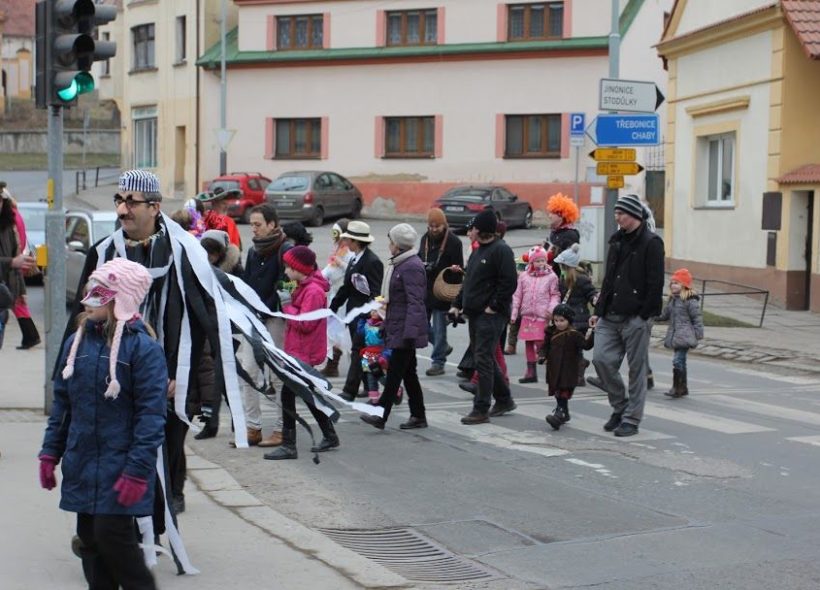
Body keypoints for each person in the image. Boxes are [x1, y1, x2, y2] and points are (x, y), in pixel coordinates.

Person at [39, 258, 166, 590]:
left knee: (113, 539)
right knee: (90, 543)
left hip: (120, 465)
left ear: (119, 301)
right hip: (82, 463)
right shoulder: (76, 343)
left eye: (98, 295)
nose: (87, 301)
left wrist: (137, 470)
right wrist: (50, 452)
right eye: (88, 292)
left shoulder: (143, 349)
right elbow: (63, 405)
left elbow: (151, 417)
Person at [589, 194, 665, 438]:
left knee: (636, 370)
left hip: (636, 318)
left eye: (620, 213)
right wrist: (598, 311)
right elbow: (609, 279)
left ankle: (631, 418)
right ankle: (620, 406)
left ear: (634, 215)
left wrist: (644, 315)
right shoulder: (617, 240)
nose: (617, 217)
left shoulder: (652, 243)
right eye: (616, 213)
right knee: (601, 360)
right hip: (610, 314)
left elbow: (656, 283)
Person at [265, 246, 340, 459]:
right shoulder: (302, 284)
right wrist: (284, 290)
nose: (285, 271)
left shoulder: (314, 291)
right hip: (297, 350)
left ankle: (289, 445)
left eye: (289, 267)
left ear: (300, 269)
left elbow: (305, 323)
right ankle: (329, 434)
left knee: (288, 396)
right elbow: (286, 288)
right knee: (308, 396)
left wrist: (287, 305)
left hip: (304, 352)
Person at [449, 209, 518, 425]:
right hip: (474, 313)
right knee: (485, 357)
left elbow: (509, 282)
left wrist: (493, 306)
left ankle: (481, 408)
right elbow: (469, 280)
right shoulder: (478, 250)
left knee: (483, 359)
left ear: (482, 230)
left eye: (473, 228)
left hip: (491, 315)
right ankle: (504, 399)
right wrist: (457, 304)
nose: (470, 232)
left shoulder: (501, 250)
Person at [360, 224, 428, 430]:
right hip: (398, 326)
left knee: (395, 374)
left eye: (391, 241)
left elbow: (415, 302)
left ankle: (381, 414)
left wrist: (410, 332)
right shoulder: (401, 264)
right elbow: (397, 302)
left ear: (398, 245)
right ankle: (418, 415)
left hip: (405, 330)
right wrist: (387, 325)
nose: (389, 245)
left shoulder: (411, 266)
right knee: (408, 374)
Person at [241, 203, 292, 448]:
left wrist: (270, 307)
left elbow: (288, 285)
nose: (254, 229)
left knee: (278, 374)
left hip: (276, 321)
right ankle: (253, 428)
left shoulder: (285, 250)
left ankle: (282, 429)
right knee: (248, 370)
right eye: (252, 224)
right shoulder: (253, 251)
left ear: (272, 224)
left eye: (258, 224)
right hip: (253, 320)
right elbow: (247, 283)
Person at [329, 221, 384, 402]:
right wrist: (333, 307)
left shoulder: (372, 262)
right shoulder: (354, 259)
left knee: (357, 351)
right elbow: (346, 287)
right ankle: (375, 386)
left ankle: (349, 390)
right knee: (364, 354)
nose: (345, 242)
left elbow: (375, 292)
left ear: (356, 241)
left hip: (363, 315)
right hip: (352, 312)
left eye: (348, 240)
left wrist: (371, 313)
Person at [419, 208, 464, 377]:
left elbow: (459, 269)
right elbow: (419, 257)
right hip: (426, 288)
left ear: (444, 225)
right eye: (431, 226)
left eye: (437, 226)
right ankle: (443, 346)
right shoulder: (425, 239)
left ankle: (438, 362)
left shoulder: (454, 242)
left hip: (443, 291)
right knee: (420, 324)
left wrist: (452, 273)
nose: (433, 229)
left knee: (439, 329)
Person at [538, 304, 594, 430]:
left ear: (569, 320)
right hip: (554, 368)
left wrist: (593, 333)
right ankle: (563, 412)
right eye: (556, 320)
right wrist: (542, 356)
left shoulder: (574, 334)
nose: (558, 323)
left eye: (562, 320)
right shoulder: (550, 332)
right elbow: (545, 346)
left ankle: (560, 414)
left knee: (564, 391)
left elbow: (586, 345)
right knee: (557, 392)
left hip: (568, 370)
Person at [510, 245, 560, 384]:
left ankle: (550, 366)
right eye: (537, 261)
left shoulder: (551, 277)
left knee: (540, 341)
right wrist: (514, 313)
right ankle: (530, 372)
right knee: (529, 342)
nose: (540, 263)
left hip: (542, 315)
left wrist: (551, 310)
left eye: (543, 260)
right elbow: (517, 295)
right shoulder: (524, 277)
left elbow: (555, 295)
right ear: (531, 262)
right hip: (527, 315)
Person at [0, 188, 40, 349]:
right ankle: (31, 337)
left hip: (8, 278)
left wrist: (14, 262)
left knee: (18, 304)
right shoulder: (12, 218)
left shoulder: (9, 222)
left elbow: (17, 248)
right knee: (19, 305)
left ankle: (31, 337)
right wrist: (12, 262)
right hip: (10, 273)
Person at [554, 243, 598, 386]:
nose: (560, 268)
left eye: (562, 266)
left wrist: (595, 300)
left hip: (579, 319)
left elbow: (591, 293)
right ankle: (579, 367)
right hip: (567, 319)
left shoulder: (581, 279)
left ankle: (578, 374)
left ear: (567, 266)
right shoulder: (562, 280)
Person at [657, 268, 704, 398]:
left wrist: (698, 334)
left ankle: (677, 387)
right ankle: (682, 387)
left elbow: (697, 318)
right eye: (672, 283)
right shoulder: (673, 300)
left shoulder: (690, 300)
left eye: (676, 283)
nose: (673, 285)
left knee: (677, 360)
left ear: (684, 285)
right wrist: (651, 315)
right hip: (676, 335)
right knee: (681, 361)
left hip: (686, 336)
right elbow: (664, 315)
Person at [320, 219, 353, 377]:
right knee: (333, 332)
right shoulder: (340, 251)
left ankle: (361, 370)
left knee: (340, 333)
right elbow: (328, 271)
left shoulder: (350, 253)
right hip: (336, 296)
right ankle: (332, 365)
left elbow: (352, 271)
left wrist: (341, 264)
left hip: (345, 298)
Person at [543, 192, 581, 276]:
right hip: (551, 275)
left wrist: (553, 253)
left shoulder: (570, 234)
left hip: (563, 277)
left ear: (561, 215)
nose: (549, 216)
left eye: (552, 213)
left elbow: (570, 259)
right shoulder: (554, 231)